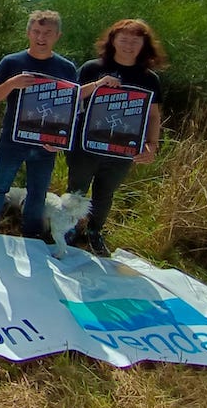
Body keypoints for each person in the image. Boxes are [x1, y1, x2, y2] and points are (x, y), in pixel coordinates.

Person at [66, 18, 167, 255]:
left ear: (145, 45)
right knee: (77, 189)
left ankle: (94, 232)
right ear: (112, 41)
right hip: (85, 145)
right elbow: (72, 97)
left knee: (105, 192)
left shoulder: (149, 79)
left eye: (135, 40)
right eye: (123, 39)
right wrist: (99, 84)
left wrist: (152, 145)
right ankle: (69, 228)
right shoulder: (93, 68)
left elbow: (154, 115)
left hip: (122, 149)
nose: (129, 45)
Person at [0, 10, 77, 238]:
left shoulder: (66, 68)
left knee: (38, 192)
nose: (41, 37)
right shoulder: (12, 62)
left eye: (47, 33)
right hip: (13, 140)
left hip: (47, 144)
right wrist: (12, 83)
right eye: (36, 32)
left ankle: (32, 235)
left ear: (58, 36)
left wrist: (60, 140)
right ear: (28, 33)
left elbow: (72, 108)